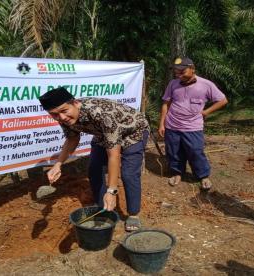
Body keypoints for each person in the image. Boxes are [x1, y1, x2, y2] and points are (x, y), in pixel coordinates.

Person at [38, 87, 149, 231]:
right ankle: (104, 207)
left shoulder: (100, 114)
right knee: (94, 169)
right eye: (54, 115)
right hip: (104, 134)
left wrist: (112, 191)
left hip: (133, 132)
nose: (62, 117)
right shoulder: (63, 117)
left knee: (128, 174)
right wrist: (58, 164)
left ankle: (133, 214)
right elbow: (72, 139)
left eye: (64, 111)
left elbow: (113, 155)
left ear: (75, 103)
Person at [158, 57, 228, 190]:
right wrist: (162, 123)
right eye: (176, 72)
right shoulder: (173, 84)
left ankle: (203, 175)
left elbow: (223, 100)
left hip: (193, 127)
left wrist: (206, 112)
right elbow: (166, 103)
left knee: (196, 151)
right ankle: (177, 173)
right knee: (174, 152)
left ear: (192, 69)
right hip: (172, 125)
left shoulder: (206, 85)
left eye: (182, 71)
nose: (178, 74)